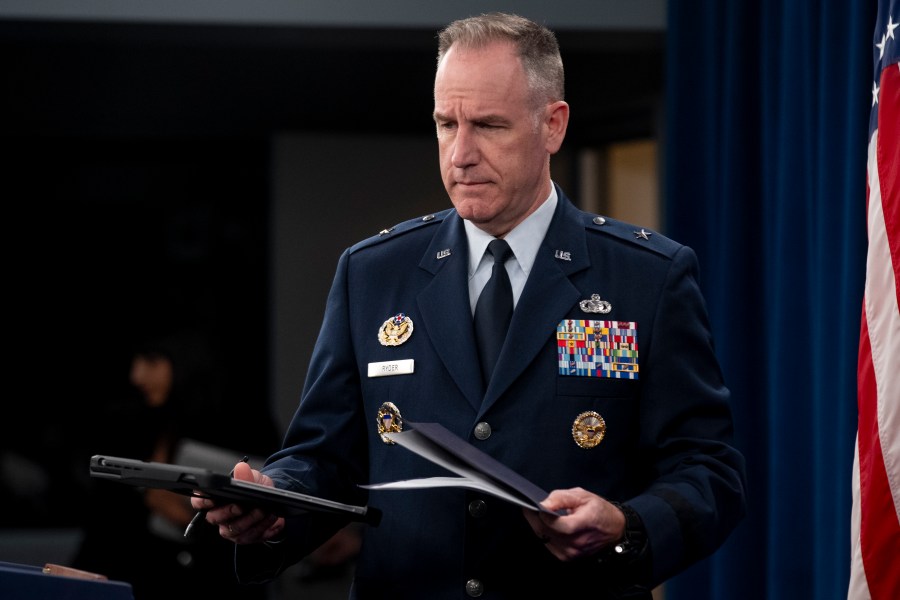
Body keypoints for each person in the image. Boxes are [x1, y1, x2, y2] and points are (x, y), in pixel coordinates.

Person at [193, 12, 747, 599]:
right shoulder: (373, 273)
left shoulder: (646, 278)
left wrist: (627, 527)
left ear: (553, 126)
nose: (460, 154)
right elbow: (325, 459)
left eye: (487, 125)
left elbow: (710, 472)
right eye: (445, 123)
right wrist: (272, 502)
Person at [73, 329, 278, 599]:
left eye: (151, 362)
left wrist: (181, 516)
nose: (137, 375)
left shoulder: (242, 425)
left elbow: (259, 530)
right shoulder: (138, 426)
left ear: (183, 361)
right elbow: (107, 529)